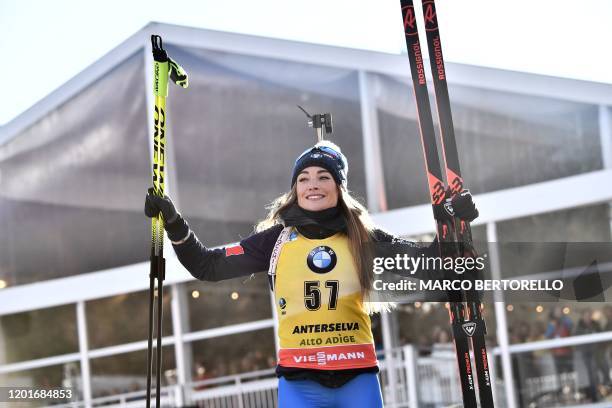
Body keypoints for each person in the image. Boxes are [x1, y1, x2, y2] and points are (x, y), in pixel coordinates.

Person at [144, 140, 478, 408]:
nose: (312, 185)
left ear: (339, 187)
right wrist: (174, 223)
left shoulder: (363, 237)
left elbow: (428, 266)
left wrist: (453, 224)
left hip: (357, 377)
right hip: (300, 383)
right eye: (303, 179)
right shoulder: (275, 240)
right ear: (294, 190)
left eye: (323, 177)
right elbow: (207, 265)